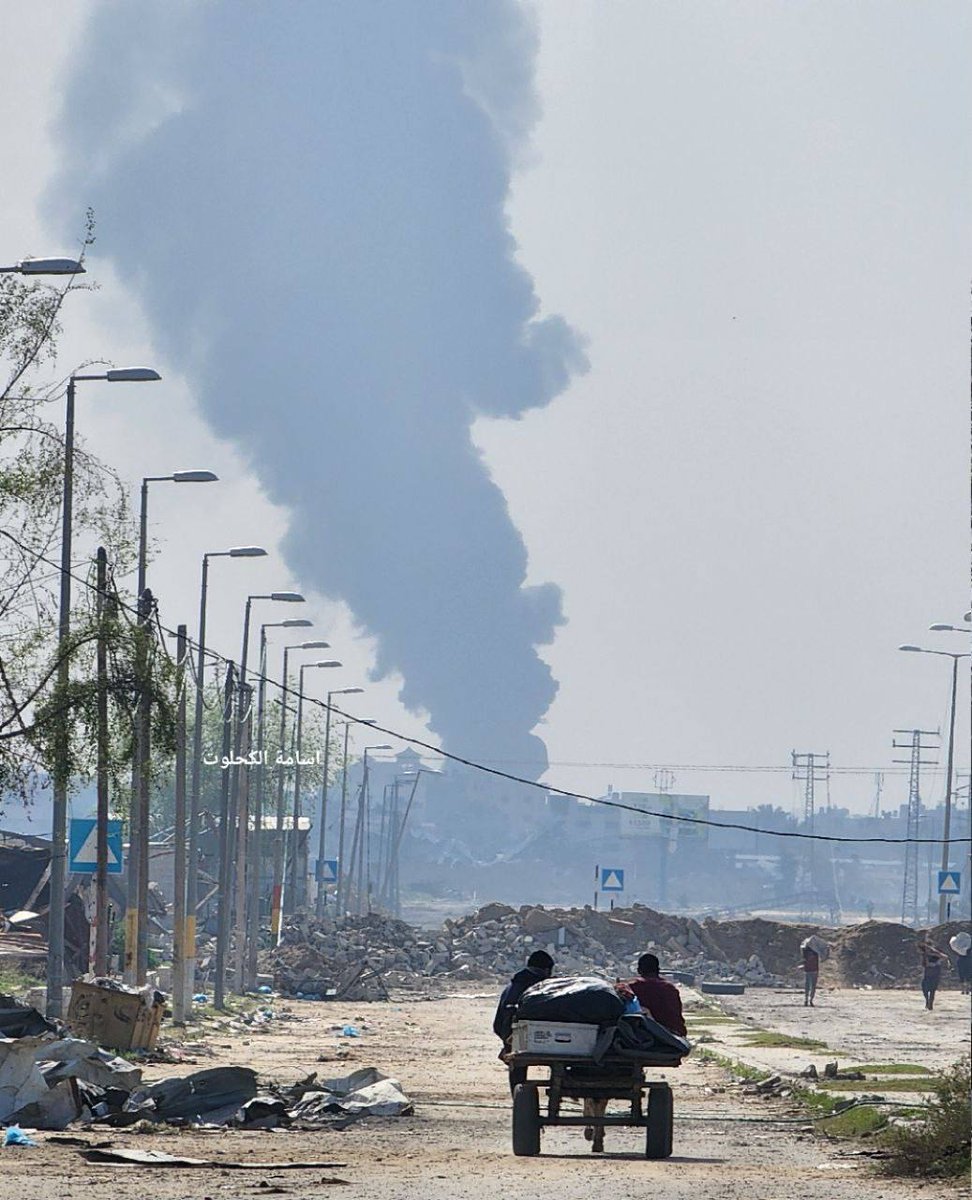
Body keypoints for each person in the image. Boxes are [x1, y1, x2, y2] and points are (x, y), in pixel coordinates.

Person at [493, 950, 554, 1096]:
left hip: (516, 1034)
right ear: (547, 970)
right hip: (549, 1035)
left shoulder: (512, 986)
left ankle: (519, 1099)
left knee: (518, 1070)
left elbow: (498, 1022)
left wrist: (507, 1042)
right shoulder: (547, 986)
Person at [624, 952, 687, 1036]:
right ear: (658, 970)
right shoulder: (670, 988)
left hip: (645, 1036)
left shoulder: (633, 988)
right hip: (675, 1034)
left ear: (639, 970)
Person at [919, 943, 945, 1011]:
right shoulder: (925, 956)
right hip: (927, 975)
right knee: (925, 989)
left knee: (932, 991)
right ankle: (927, 1001)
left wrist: (933, 954)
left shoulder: (937, 955)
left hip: (934, 976)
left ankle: (930, 1004)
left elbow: (944, 957)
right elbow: (924, 964)